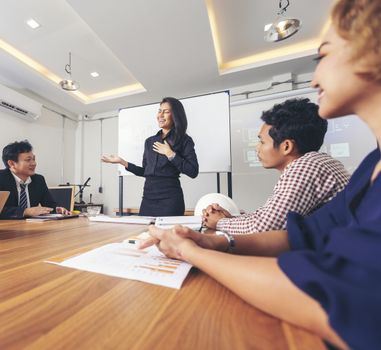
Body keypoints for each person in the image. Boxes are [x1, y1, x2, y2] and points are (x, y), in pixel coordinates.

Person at [140, 0, 381, 348]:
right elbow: (303, 235)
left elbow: (337, 300)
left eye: (323, 56)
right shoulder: (369, 169)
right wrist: (214, 240)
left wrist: (195, 249)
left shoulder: (309, 164)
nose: (314, 78)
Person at [203, 98, 349, 234]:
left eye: (262, 141)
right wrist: (230, 219)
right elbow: (267, 217)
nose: (257, 148)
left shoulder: (305, 167)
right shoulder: (319, 162)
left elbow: (264, 228)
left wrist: (219, 223)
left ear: (286, 146)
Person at [101, 97, 199, 216]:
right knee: (145, 233)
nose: (160, 115)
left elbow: (193, 171)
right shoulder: (149, 141)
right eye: (159, 111)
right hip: (148, 199)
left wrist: (170, 154)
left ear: (175, 115)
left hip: (170, 199)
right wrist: (122, 162)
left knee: (167, 234)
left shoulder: (184, 140)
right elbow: (145, 172)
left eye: (166, 112)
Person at [0, 140, 69, 219]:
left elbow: (49, 204)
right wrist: (25, 211)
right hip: (5, 229)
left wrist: (57, 209)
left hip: (32, 228)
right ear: (12, 163)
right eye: (28, 160)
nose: (34, 163)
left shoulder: (38, 180)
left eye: (34, 159)